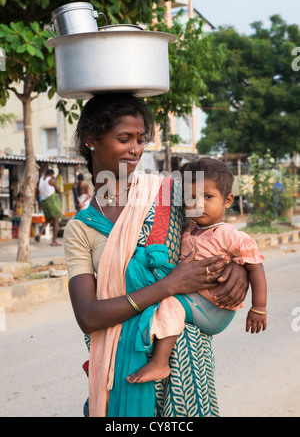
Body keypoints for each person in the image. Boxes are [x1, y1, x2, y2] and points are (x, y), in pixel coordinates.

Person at [63, 93, 249, 418]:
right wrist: (168, 286)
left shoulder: (168, 193)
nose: (136, 149)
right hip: (121, 363)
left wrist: (240, 269)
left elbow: (216, 227)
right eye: (124, 139)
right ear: (92, 139)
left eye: (140, 139)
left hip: (187, 362)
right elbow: (89, 316)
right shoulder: (81, 229)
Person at [127, 157, 267, 384]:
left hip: (215, 308)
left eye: (208, 197)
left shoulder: (231, 235)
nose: (198, 204)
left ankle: (160, 363)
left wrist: (259, 308)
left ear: (228, 200)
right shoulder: (188, 231)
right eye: (191, 198)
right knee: (163, 299)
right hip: (197, 300)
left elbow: (256, 268)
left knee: (168, 302)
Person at [35, 168, 63, 246]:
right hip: (52, 202)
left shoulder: (40, 181)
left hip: (44, 203)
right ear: (52, 174)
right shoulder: (51, 180)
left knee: (48, 219)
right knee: (56, 220)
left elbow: (36, 194)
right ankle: (54, 241)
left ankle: (40, 233)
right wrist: (55, 183)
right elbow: (58, 190)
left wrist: (39, 203)